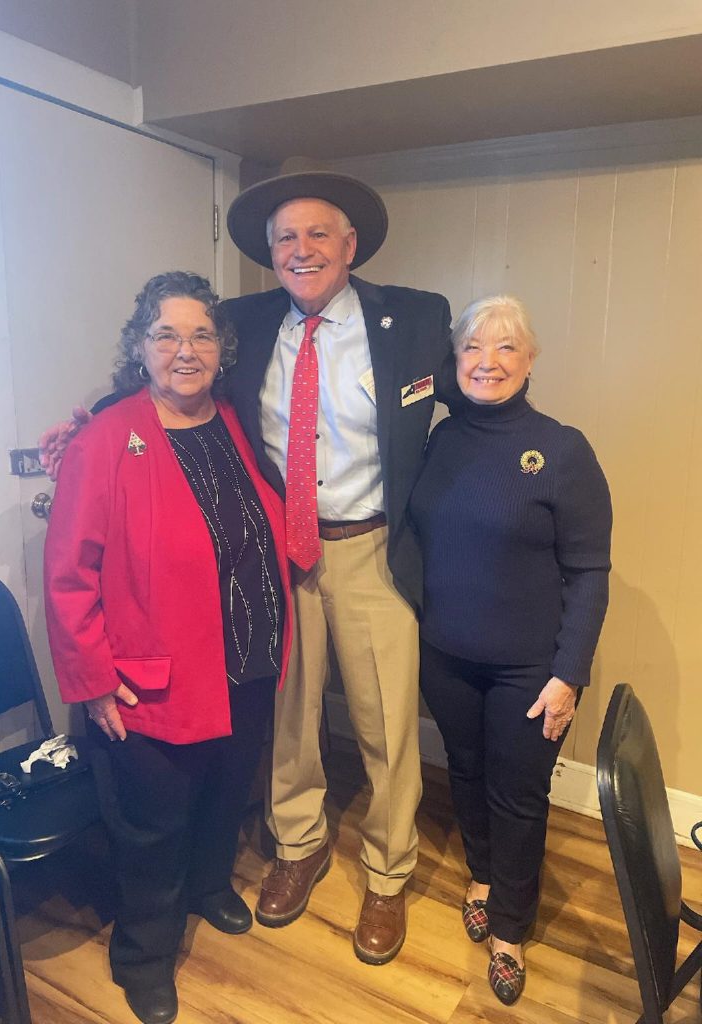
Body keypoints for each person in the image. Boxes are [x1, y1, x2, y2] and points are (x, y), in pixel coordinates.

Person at [40, 172, 455, 965]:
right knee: (288, 719)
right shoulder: (248, 321)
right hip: (282, 554)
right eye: (284, 239)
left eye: (318, 234)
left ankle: (387, 872)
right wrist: (92, 418)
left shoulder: (414, 318)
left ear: (349, 245)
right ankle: (297, 843)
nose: (301, 251)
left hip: (370, 549)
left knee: (388, 727)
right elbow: (167, 372)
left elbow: (471, 397)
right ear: (269, 254)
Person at [44, 272, 292, 1024]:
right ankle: (143, 957)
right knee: (152, 827)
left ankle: (209, 887)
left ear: (222, 350)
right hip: (152, 680)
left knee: (224, 795)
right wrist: (91, 679)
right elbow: (69, 574)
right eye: (167, 335)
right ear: (140, 348)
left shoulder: (233, 420)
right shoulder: (106, 439)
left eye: (202, 335)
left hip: (244, 661)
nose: (186, 351)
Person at [408, 295, 611, 1005]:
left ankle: (509, 929)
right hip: (445, 655)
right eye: (472, 347)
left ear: (530, 361)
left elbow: (589, 572)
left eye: (505, 348)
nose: (487, 362)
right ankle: (483, 876)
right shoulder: (438, 439)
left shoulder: (562, 450)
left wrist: (569, 674)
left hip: (530, 669)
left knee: (517, 795)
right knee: (464, 771)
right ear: (454, 359)